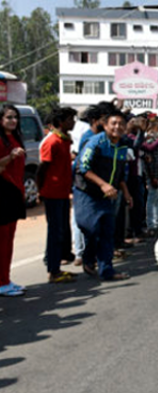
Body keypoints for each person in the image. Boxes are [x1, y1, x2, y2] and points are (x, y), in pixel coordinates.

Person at [74, 108, 132, 281]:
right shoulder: (95, 142)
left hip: (109, 194)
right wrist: (103, 184)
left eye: (121, 124)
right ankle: (88, 258)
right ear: (105, 126)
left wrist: (127, 193)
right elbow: (82, 168)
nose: (118, 127)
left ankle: (107, 271)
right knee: (91, 228)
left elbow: (121, 173)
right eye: (113, 123)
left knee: (107, 231)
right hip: (87, 192)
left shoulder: (123, 145)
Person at [37, 107, 78, 284]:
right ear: (61, 122)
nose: (73, 122)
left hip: (62, 192)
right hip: (52, 193)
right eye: (70, 119)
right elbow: (42, 169)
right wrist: (41, 190)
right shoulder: (51, 142)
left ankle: (57, 265)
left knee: (61, 229)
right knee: (54, 231)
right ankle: (53, 271)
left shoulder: (65, 140)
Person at [0, 105, 28, 296]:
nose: (13, 120)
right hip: (2, 192)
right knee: (2, 240)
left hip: (15, 192)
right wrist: (9, 157)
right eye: (9, 117)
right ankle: (2, 283)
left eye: (15, 117)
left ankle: (6, 279)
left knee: (9, 239)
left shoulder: (15, 138)